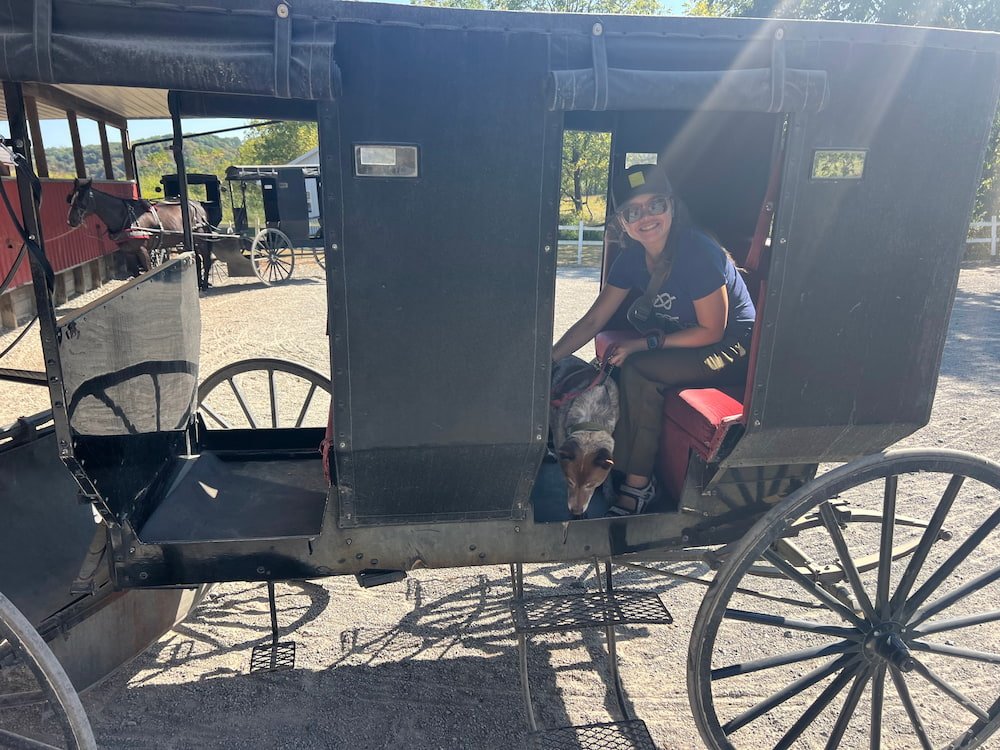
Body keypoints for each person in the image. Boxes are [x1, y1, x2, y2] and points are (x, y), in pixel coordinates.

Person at [551, 163, 756, 516]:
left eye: (655, 205)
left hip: (733, 348)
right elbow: (595, 320)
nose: (645, 217)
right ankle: (611, 463)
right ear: (622, 222)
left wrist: (642, 344)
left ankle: (639, 484)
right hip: (688, 339)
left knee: (642, 369)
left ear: (671, 206)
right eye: (633, 211)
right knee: (624, 364)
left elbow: (713, 332)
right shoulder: (632, 259)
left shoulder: (698, 254)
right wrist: (547, 361)